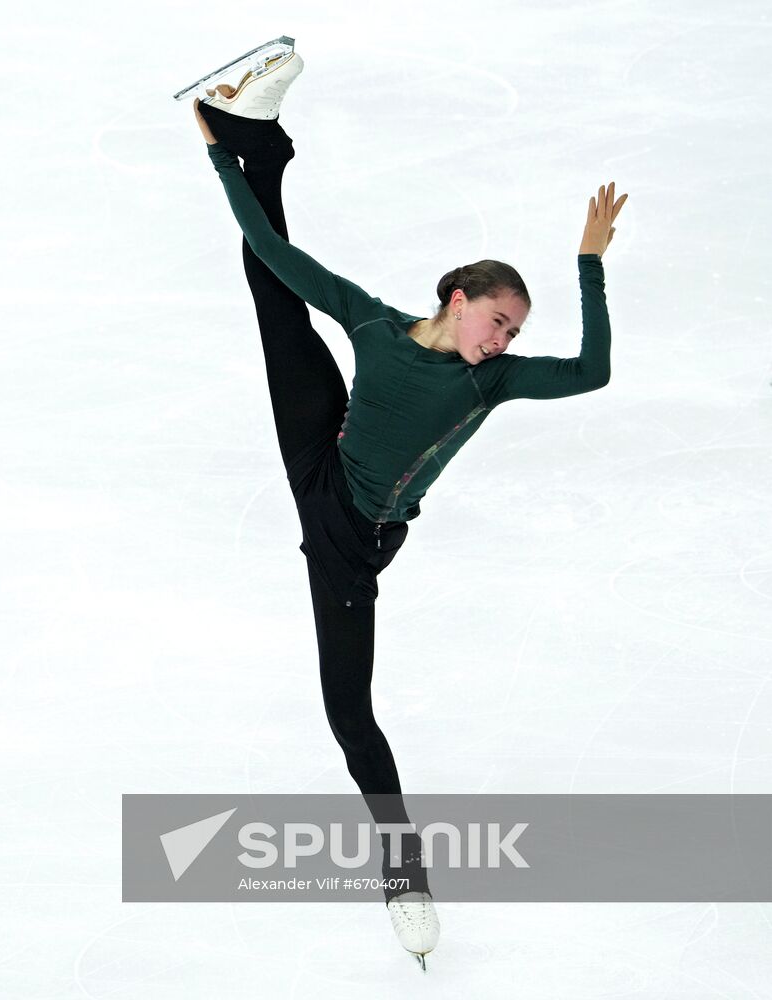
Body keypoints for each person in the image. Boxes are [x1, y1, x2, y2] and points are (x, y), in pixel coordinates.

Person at [187, 46, 628, 969]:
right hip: (323, 456)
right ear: (459, 300)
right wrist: (220, 167)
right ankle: (249, 136)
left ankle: (401, 871)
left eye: (513, 333)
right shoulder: (376, 326)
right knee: (276, 299)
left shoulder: (493, 382)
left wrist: (588, 265)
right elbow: (275, 253)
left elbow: (592, 372)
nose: (505, 339)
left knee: (349, 714)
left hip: (354, 542)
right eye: (498, 320)